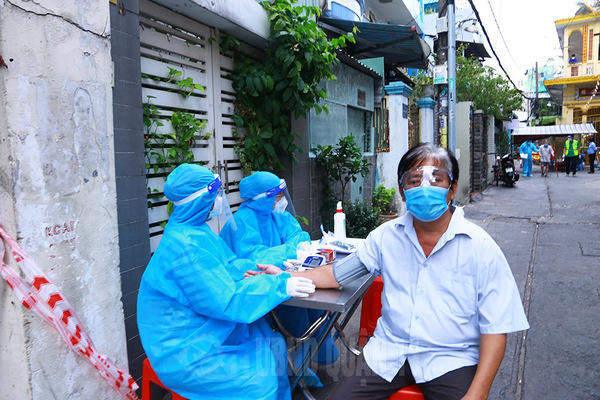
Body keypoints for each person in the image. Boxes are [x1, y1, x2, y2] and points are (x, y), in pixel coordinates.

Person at [323, 143, 529, 400]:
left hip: (450, 358)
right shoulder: (385, 237)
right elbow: (336, 275)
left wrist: (477, 394)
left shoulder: (480, 247)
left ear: (452, 189)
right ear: (402, 190)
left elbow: (496, 329)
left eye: (436, 179)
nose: (425, 187)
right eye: (414, 180)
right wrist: (282, 277)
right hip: (389, 352)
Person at [137, 163, 317, 400]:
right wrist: (279, 284)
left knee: (273, 343)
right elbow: (225, 300)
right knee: (258, 382)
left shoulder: (196, 232)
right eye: (215, 195)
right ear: (201, 201)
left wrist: (261, 271)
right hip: (185, 350)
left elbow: (230, 266)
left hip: (206, 329)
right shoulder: (184, 247)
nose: (220, 202)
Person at [220, 171, 340, 370]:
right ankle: (300, 362)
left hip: (281, 276)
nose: (281, 201)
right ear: (263, 198)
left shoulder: (277, 215)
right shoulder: (242, 221)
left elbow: (299, 237)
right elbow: (255, 260)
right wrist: (290, 251)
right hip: (257, 288)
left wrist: (288, 252)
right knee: (298, 307)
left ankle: (309, 358)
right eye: (277, 197)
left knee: (318, 306)